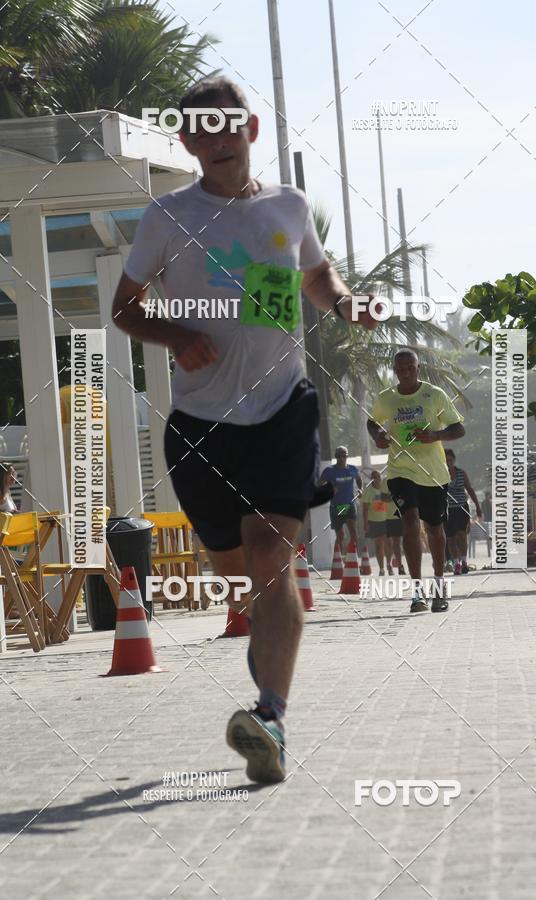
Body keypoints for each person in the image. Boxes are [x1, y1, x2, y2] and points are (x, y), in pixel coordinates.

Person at [112, 76, 376, 784]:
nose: (219, 137)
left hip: (284, 411)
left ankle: (270, 717)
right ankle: (265, 650)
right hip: (201, 424)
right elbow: (125, 308)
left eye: (230, 124)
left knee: (270, 557)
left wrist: (347, 303)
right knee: (237, 571)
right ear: (189, 141)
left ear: (250, 131)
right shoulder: (166, 217)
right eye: (204, 127)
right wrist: (174, 336)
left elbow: (318, 280)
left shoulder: (286, 207)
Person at [367, 348, 465, 613]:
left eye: (411, 367)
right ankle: (417, 592)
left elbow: (458, 428)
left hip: (433, 473)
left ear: (418, 368)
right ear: (395, 371)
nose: (406, 372)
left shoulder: (435, 394)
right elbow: (372, 422)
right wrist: (378, 436)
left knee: (434, 529)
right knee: (410, 521)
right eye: (401, 369)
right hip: (400, 470)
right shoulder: (386, 398)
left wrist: (435, 436)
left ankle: (439, 585)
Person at [444, 448, 482, 575]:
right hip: (447, 510)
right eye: (446, 460)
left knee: (461, 536)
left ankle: (464, 562)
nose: (448, 462)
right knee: (450, 539)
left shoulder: (461, 473)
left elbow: (470, 489)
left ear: (453, 460)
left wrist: (477, 506)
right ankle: (456, 563)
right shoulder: (440, 475)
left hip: (461, 508)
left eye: (450, 460)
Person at [321, 447, 362, 549]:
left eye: (344, 456)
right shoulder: (329, 471)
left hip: (349, 504)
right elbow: (319, 484)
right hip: (336, 507)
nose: (341, 458)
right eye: (339, 456)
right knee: (340, 536)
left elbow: (358, 479)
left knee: (354, 534)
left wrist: (360, 489)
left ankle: (352, 560)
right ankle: (338, 562)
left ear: (347, 456)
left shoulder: (352, 469)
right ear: (336, 457)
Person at [362, 470, 391, 576]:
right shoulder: (368, 491)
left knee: (388, 543)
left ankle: (389, 564)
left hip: (386, 520)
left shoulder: (386, 488)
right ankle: (382, 568)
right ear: (371, 479)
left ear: (381, 477)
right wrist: (365, 524)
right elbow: (365, 509)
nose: (376, 479)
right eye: (374, 477)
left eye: (378, 476)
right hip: (374, 521)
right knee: (379, 546)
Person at [384, 478, 406, 575]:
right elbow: (383, 498)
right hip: (388, 516)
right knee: (391, 543)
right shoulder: (384, 481)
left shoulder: (403, 478)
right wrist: (395, 496)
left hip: (402, 515)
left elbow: (405, 498)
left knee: (401, 542)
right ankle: (393, 565)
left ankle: (401, 565)